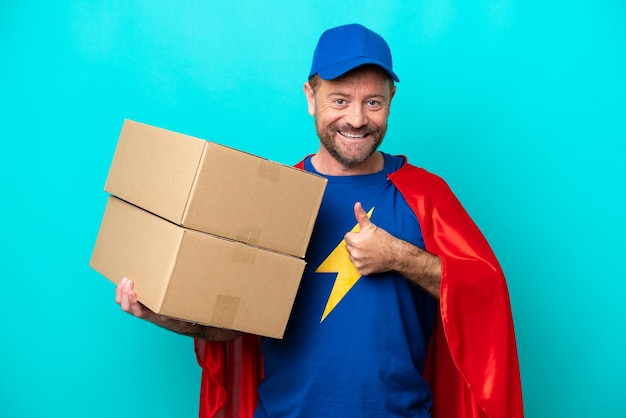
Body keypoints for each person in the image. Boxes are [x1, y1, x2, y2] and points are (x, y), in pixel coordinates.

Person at [116, 23, 524, 418]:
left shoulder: (426, 194)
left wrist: (398, 256)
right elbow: (231, 332)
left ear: (391, 101)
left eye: (373, 103)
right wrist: (162, 314)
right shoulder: (275, 197)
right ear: (311, 97)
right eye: (340, 100)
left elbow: (485, 297)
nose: (357, 119)